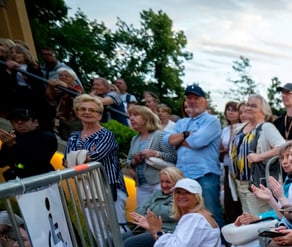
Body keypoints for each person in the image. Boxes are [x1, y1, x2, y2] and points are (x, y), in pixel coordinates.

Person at [165, 84, 224, 227]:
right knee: (187, 214)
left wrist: (178, 140)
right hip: (183, 176)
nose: (192, 101)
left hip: (205, 175)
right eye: (189, 98)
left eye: (196, 98)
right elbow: (166, 141)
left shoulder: (212, 121)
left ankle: (221, 246)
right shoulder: (181, 122)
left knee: (211, 212)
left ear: (205, 101)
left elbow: (198, 142)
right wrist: (186, 135)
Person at [64, 94, 124, 226]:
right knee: (96, 230)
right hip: (86, 189)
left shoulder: (106, 135)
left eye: (92, 110)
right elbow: (66, 162)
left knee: (117, 229)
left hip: (108, 186)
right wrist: (84, 155)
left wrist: (77, 156)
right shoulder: (74, 136)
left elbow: (96, 157)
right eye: (82, 109)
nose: (86, 112)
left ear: (100, 115)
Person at [228, 95, 285, 215]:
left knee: (258, 219)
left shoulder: (267, 127)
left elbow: (283, 147)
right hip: (240, 183)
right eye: (248, 105)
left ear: (264, 111)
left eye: (253, 106)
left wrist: (259, 157)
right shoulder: (240, 128)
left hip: (257, 183)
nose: (248, 108)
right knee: (248, 218)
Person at [123, 166, 185, 247]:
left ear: (177, 182)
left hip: (166, 232)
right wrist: (154, 211)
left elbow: (171, 212)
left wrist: (149, 208)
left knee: (130, 245)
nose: (164, 185)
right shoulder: (157, 193)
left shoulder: (180, 196)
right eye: (162, 181)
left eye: (168, 182)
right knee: (112, 241)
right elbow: (138, 210)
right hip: (146, 229)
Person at [125, 105, 177, 208]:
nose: (131, 118)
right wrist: (135, 161)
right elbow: (128, 162)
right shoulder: (135, 139)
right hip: (141, 185)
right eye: (130, 115)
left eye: (135, 115)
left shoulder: (160, 135)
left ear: (146, 118)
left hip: (160, 183)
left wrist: (156, 154)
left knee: (161, 215)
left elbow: (174, 157)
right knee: (143, 214)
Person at [0, 108, 58, 179]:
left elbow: (37, 162)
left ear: (35, 122)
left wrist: (13, 145)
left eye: (24, 119)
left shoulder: (47, 137)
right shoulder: (11, 137)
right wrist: (7, 146)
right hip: (17, 181)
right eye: (15, 120)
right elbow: (2, 162)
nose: (19, 122)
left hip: (43, 181)